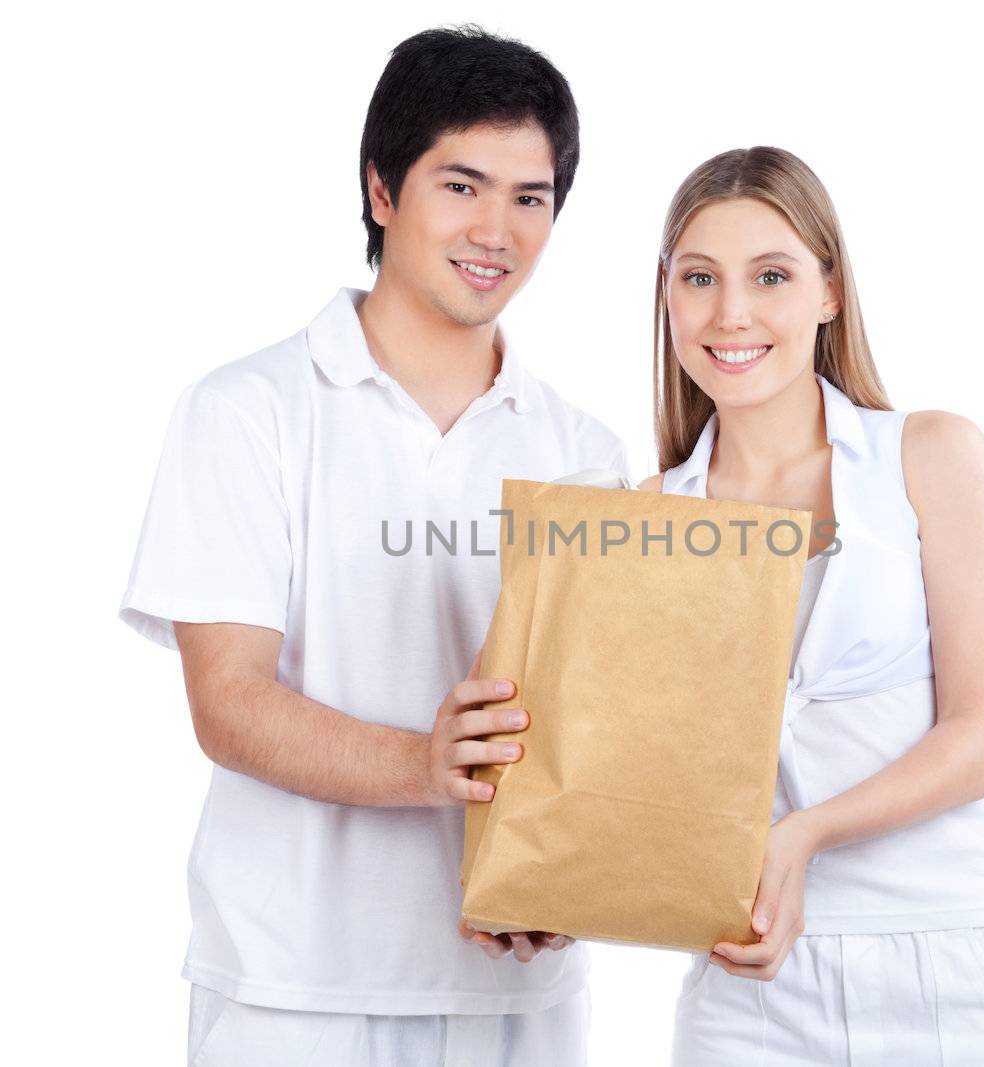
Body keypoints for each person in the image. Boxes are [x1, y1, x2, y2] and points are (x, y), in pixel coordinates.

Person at [118, 26, 628, 1067]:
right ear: (382, 189)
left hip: (515, 990)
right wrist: (424, 763)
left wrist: (570, 877)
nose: (497, 229)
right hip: (292, 986)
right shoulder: (246, 410)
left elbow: (596, 729)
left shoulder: (585, 450)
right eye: (461, 184)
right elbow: (229, 702)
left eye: (530, 198)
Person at [638, 147, 984, 1065]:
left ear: (830, 291)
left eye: (772, 275)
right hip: (751, 989)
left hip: (961, 960)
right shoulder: (646, 517)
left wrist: (806, 834)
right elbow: (647, 777)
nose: (732, 313)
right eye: (699, 277)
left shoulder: (931, 455)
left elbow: (982, 737)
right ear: (667, 296)